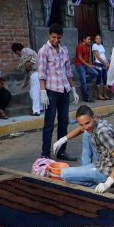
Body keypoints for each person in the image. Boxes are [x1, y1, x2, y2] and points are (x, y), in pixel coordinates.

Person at [52, 105, 114, 192]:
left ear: (94, 118)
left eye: (87, 123)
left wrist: (109, 182)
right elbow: (81, 129)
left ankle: (101, 184)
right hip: (103, 160)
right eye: (81, 124)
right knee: (86, 134)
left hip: (108, 172)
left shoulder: (102, 132)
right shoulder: (97, 123)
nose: (85, 127)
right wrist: (63, 139)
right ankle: (86, 170)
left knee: (64, 174)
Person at [38, 23, 80, 160]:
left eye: (59, 38)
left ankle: (61, 151)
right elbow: (42, 73)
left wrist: (73, 89)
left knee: (63, 122)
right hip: (51, 90)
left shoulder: (64, 50)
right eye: (54, 37)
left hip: (64, 89)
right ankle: (45, 153)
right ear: (49, 35)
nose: (56, 40)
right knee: (49, 123)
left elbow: (68, 71)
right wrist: (43, 91)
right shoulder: (44, 50)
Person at [12, 42, 42, 115]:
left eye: (15, 53)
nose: (17, 55)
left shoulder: (25, 51)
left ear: (16, 51)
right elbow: (27, 71)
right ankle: (39, 108)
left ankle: (36, 111)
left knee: (34, 92)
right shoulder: (25, 54)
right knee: (35, 92)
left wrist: (27, 65)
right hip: (35, 73)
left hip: (36, 73)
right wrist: (25, 82)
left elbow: (31, 62)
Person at [74, 35, 98, 102]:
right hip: (79, 65)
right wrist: (88, 65)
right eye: (88, 39)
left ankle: (84, 80)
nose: (90, 41)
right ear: (84, 40)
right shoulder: (80, 46)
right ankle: (86, 98)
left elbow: (88, 57)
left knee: (95, 73)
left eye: (90, 39)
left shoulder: (88, 46)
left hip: (86, 65)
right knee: (84, 82)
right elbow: (80, 57)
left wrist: (90, 64)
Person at [91, 34, 110, 100]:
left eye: (99, 38)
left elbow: (104, 55)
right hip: (98, 64)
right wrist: (104, 63)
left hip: (104, 63)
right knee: (99, 79)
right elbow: (98, 57)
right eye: (97, 38)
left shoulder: (101, 45)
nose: (98, 39)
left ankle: (105, 94)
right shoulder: (94, 46)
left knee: (105, 78)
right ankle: (99, 95)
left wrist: (107, 62)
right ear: (95, 40)